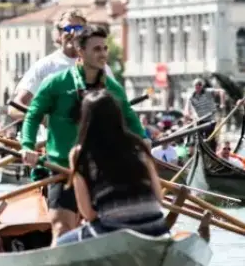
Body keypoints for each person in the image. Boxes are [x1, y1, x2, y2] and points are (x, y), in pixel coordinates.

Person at [20, 25, 147, 244]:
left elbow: (130, 118)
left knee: (109, 229)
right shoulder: (56, 83)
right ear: (80, 51)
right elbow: (33, 116)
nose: (103, 54)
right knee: (62, 228)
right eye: (97, 49)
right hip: (62, 169)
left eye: (105, 48)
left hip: (101, 171)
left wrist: (144, 141)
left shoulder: (112, 88)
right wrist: (27, 146)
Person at [56, 90, 168, 245]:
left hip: (115, 232)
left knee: (61, 244)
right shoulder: (138, 145)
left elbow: (88, 213)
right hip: (157, 229)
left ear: (85, 120)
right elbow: (159, 198)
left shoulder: (79, 154)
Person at [9, 9, 115, 121]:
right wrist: (44, 119)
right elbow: (14, 109)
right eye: (67, 29)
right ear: (59, 35)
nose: (72, 33)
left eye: (78, 29)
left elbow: (117, 105)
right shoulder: (44, 66)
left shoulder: (101, 68)